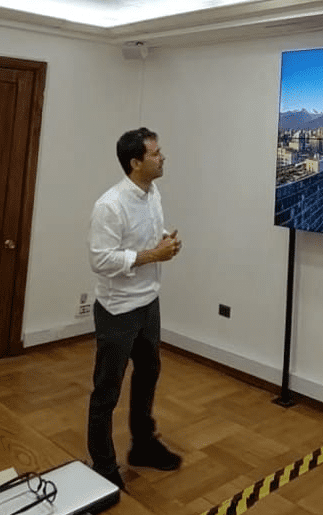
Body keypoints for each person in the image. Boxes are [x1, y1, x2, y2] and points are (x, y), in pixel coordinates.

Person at [87, 127, 182, 489]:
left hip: (148, 303)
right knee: (107, 389)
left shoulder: (152, 193)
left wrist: (164, 243)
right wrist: (152, 255)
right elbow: (101, 260)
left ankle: (142, 445)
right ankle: (103, 465)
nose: (162, 157)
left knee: (148, 373)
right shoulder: (109, 205)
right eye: (155, 153)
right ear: (135, 162)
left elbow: (144, 238)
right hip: (118, 310)